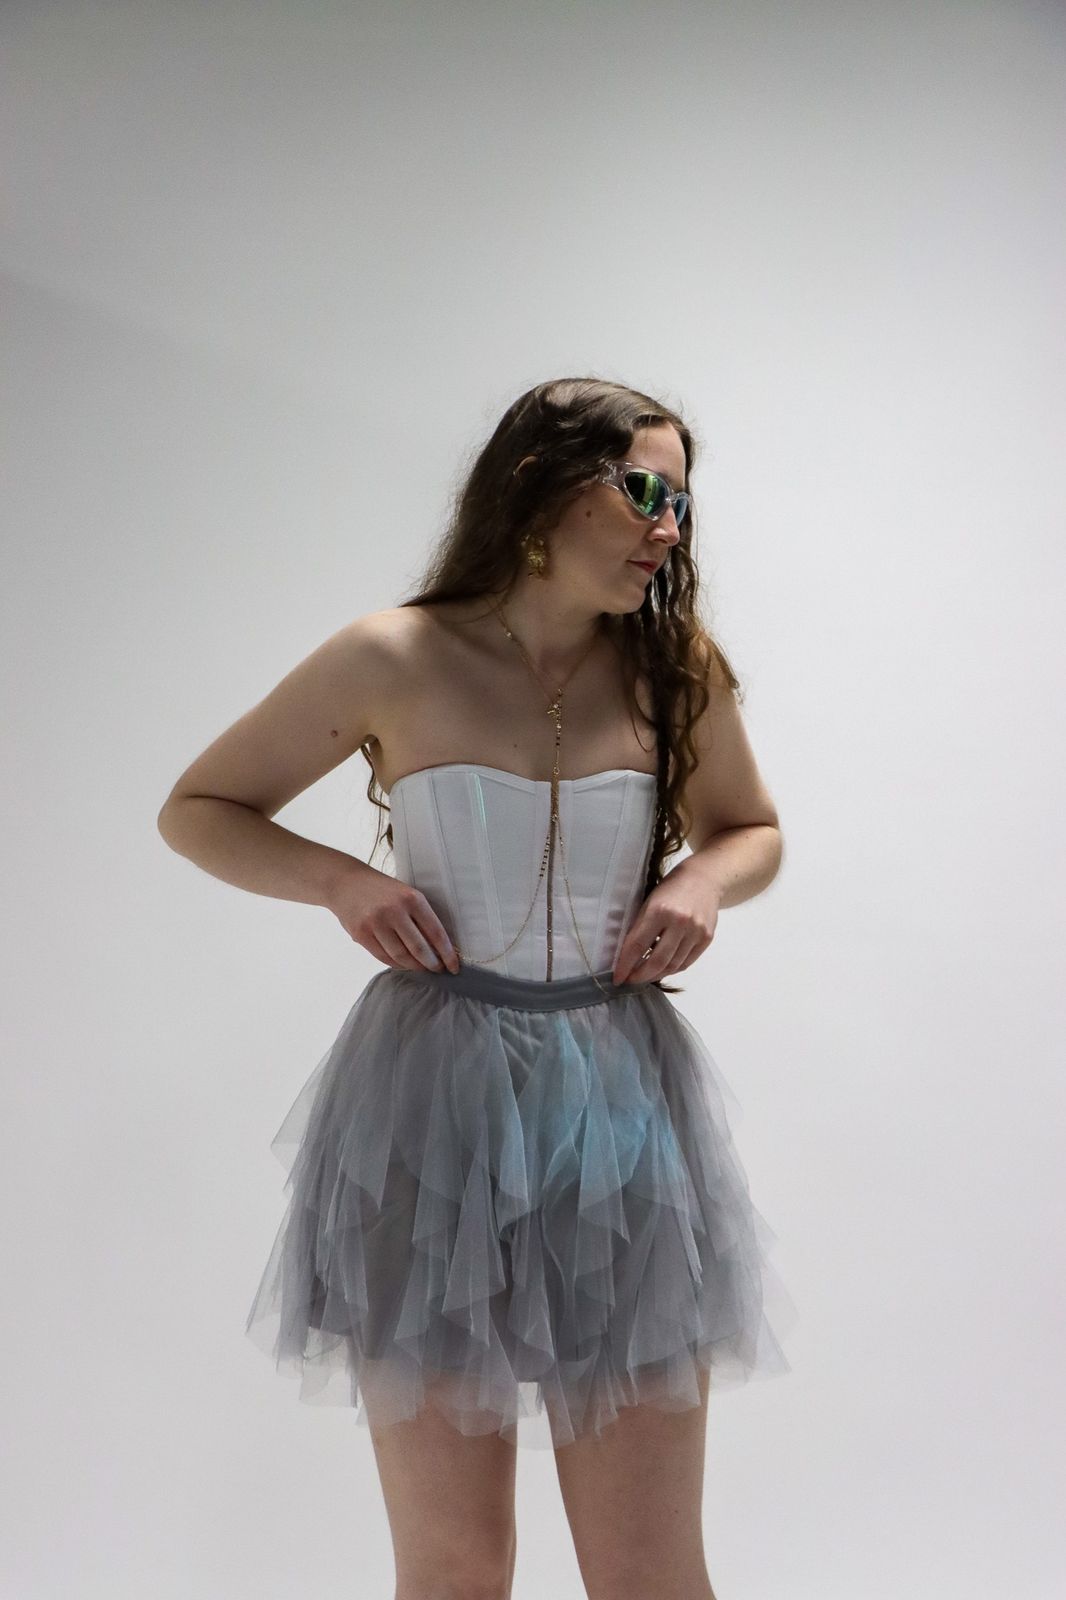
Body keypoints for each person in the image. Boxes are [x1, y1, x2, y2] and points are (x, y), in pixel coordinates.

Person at [157, 376, 795, 1600]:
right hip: (427, 1115)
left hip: (619, 1112)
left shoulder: (674, 668)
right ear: (541, 487)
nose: (668, 526)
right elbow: (199, 808)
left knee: (650, 1570)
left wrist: (704, 882)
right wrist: (341, 882)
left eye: (681, 502)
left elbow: (751, 828)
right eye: (643, 490)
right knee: (455, 1568)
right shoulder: (392, 655)